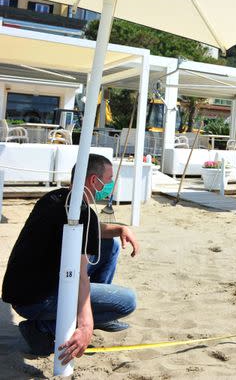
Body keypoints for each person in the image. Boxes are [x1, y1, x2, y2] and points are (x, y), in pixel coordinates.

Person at [2, 154, 139, 364]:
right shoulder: (82, 213)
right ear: (94, 181)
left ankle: (95, 312)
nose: (111, 185)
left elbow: (90, 231)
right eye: (109, 179)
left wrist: (119, 229)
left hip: (21, 290)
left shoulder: (55, 198)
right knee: (127, 301)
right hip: (37, 300)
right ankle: (41, 328)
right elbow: (79, 274)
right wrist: (86, 325)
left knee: (109, 244)